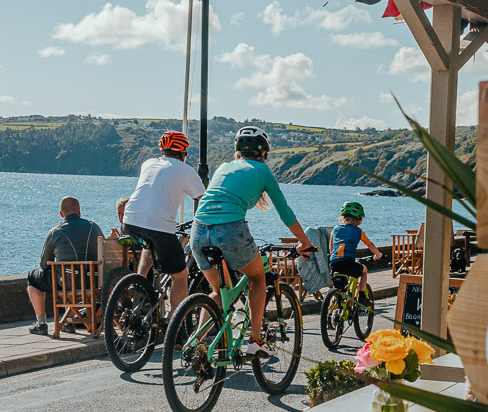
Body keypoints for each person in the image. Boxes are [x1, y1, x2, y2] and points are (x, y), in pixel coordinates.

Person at [191, 126, 317, 356]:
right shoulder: (262, 170)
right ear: (264, 152)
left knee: (220, 291)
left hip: (198, 231)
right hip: (230, 231)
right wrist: (305, 242)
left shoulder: (224, 166)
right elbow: (285, 213)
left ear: (238, 150)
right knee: (258, 278)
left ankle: (197, 342)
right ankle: (255, 340)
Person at [121, 130, 205, 311]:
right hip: (159, 226)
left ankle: (139, 282)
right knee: (180, 275)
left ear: (162, 151)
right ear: (183, 153)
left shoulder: (148, 163)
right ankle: (176, 322)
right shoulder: (186, 171)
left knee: (149, 246)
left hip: (130, 220)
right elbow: (203, 198)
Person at [27, 196, 102, 335]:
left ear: (61, 214)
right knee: (69, 276)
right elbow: (103, 253)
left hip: (66, 282)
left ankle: (42, 323)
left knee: (33, 276)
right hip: (93, 281)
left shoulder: (56, 232)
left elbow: (44, 265)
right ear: (79, 210)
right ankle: (68, 319)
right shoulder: (94, 227)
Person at [330, 200, 382, 283]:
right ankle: (361, 294)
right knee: (364, 270)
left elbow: (332, 245)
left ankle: (336, 293)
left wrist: (333, 255)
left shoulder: (335, 229)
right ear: (359, 219)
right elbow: (370, 244)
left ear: (343, 217)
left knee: (339, 283)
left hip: (334, 263)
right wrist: (378, 254)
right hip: (348, 263)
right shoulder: (358, 231)